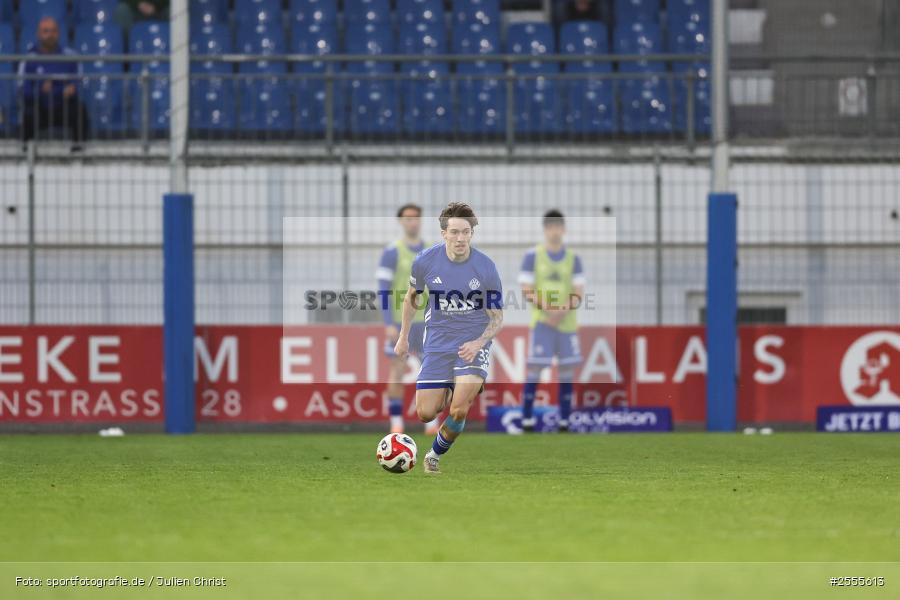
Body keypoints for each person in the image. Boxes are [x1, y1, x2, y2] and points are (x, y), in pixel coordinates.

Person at [394, 203, 504, 474]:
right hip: (439, 341)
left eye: (466, 232)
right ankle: (455, 385)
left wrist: (479, 342)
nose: (460, 238)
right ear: (443, 233)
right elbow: (412, 299)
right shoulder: (425, 261)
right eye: (454, 232)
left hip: (472, 343)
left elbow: (497, 316)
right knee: (426, 413)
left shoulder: (486, 267)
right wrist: (403, 337)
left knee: (458, 410)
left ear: (471, 233)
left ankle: (433, 455)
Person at [519, 210, 585, 432]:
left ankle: (565, 421)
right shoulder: (533, 256)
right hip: (542, 323)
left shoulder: (573, 259)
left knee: (567, 371)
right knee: (535, 369)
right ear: (545, 229)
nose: (555, 231)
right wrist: (548, 310)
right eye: (551, 227)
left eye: (558, 227)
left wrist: (561, 311)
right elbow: (526, 289)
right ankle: (527, 420)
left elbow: (578, 291)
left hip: (566, 324)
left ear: (563, 230)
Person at [377, 203, 439, 435]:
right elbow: (383, 289)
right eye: (408, 218)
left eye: (416, 218)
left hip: (427, 321)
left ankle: (431, 424)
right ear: (401, 222)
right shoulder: (392, 252)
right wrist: (388, 323)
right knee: (397, 368)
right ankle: (396, 423)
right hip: (400, 321)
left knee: (431, 370)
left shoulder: (431, 252)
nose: (412, 222)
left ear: (421, 221)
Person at [19, 17, 90, 150]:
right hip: (40, 107)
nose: (50, 35)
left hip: (63, 106)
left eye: (53, 31)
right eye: (46, 31)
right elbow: (24, 89)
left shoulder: (71, 56)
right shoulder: (29, 58)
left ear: (58, 33)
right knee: (28, 113)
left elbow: (78, 84)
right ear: (38, 34)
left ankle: (79, 151)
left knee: (80, 110)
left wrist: (66, 89)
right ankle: (25, 152)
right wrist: (41, 89)